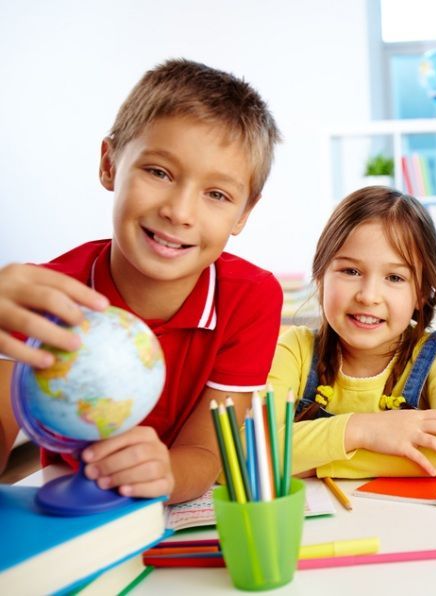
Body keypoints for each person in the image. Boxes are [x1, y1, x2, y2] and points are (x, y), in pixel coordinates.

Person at [0, 59, 283, 502]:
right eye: (159, 172)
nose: (179, 211)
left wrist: (164, 472)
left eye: (217, 194)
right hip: (71, 519)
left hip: (174, 517)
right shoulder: (40, 298)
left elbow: (206, 452)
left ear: (244, 213)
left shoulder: (251, 299)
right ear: (109, 163)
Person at [267, 186, 436, 478]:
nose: (369, 296)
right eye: (351, 271)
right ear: (320, 275)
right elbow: (247, 453)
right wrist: (363, 429)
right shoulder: (296, 349)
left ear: (421, 293)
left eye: (394, 277)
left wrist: (311, 461)